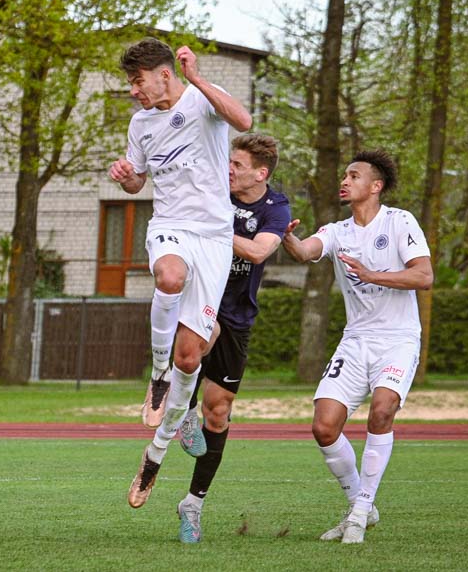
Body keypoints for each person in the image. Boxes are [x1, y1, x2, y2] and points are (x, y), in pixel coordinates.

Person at [108, 37, 252, 509]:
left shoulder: (201, 99)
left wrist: (199, 79)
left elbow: (244, 121)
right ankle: (157, 376)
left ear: (164, 74)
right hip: (170, 225)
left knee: (190, 359)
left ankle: (155, 454)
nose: (134, 90)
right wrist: (126, 176)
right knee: (168, 278)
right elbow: (137, 183)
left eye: (138, 81)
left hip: (213, 238)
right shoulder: (140, 123)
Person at [281, 149, 432, 544]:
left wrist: (372, 274)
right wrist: (285, 235)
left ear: (375, 186)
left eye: (354, 175)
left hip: (398, 340)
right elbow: (305, 251)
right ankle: (357, 505)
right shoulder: (337, 231)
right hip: (356, 340)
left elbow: (424, 276)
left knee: (382, 411)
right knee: (323, 426)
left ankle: (361, 512)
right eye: (344, 175)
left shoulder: (400, 222)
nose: (344, 181)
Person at [173, 134, 291, 543]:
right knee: (205, 334)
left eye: (237, 165)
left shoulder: (276, 207)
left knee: (219, 413)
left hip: (239, 315)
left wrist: (217, 231)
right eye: (228, 161)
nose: (228, 169)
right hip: (200, 301)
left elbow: (258, 252)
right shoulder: (212, 191)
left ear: (261, 173)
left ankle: (192, 505)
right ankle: (182, 410)